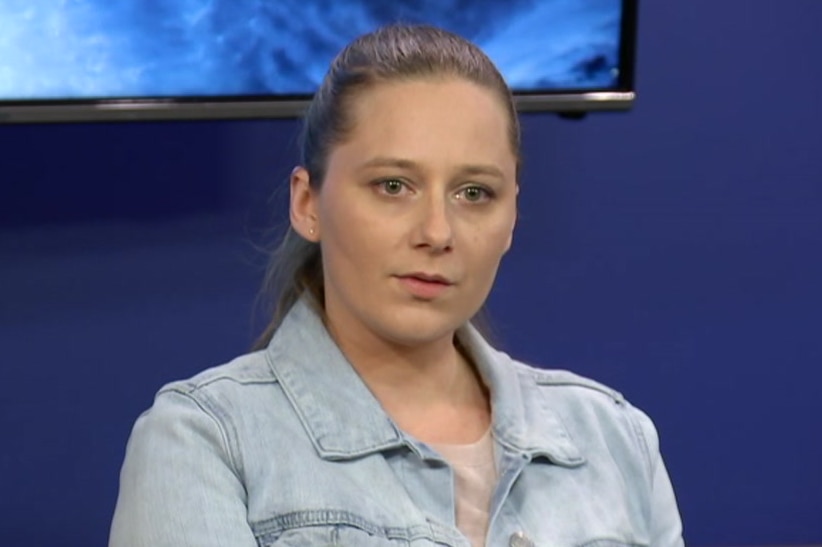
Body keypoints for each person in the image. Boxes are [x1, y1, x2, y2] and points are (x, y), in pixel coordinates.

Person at [109, 24, 684, 547]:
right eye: (392, 185)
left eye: (474, 193)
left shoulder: (615, 438)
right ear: (307, 203)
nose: (437, 232)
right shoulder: (205, 443)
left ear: (511, 218)